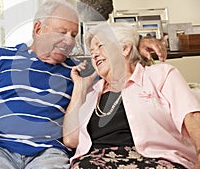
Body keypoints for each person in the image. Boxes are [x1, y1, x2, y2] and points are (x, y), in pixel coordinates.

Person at [0, 0, 168, 169]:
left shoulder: (79, 69)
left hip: (50, 152)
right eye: (61, 32)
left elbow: (116, 62)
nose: (69, 41)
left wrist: (138, 43)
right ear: (38, 29)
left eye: (73, 35)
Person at [64, 22, 200, 169]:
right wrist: (79, 87)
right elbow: (71, 139)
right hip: (96, 162)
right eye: (92, 52)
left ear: (125, 48)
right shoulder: (93, 94)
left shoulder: (160, 76)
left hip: (156, 159)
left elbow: (191, 115)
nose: (95, 54)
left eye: (101, 46)